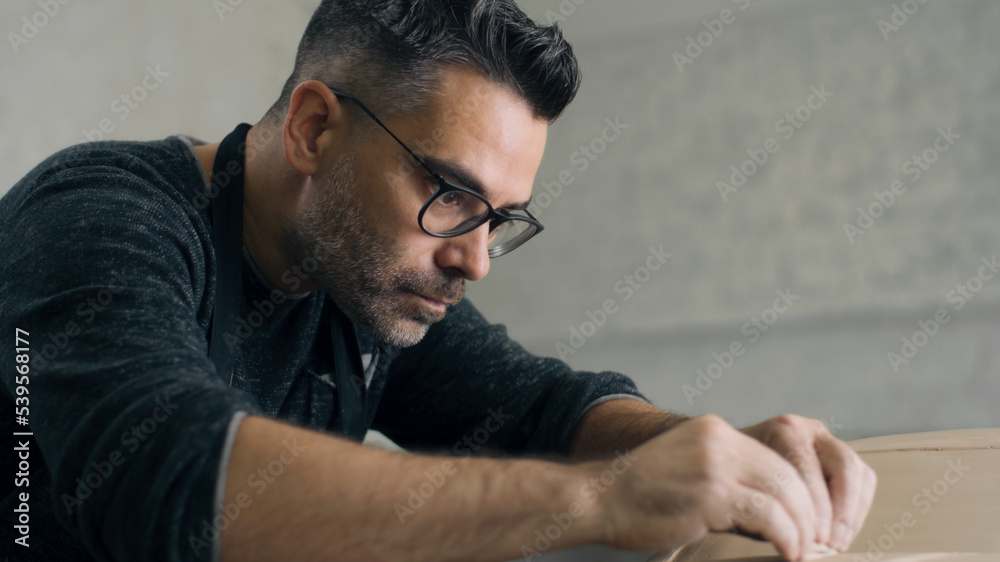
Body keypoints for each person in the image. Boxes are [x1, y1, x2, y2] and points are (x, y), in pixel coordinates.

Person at [0, 1, 876, 561]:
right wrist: (607, 498)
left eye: (498, 216)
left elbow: (541, 414)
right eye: (451, 194)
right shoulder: (97, 219)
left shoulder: (362, 276)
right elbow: (173, 481)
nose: (474, 257)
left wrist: (725, 455)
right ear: (313, 129)